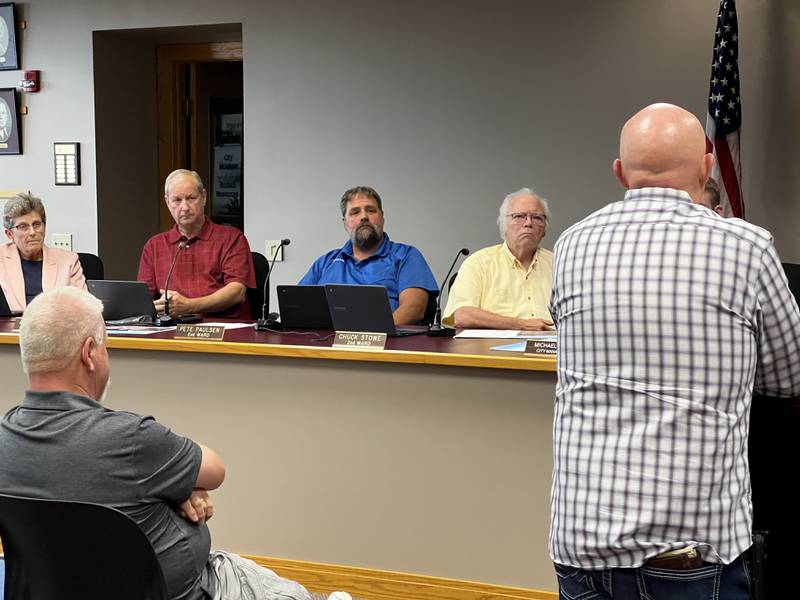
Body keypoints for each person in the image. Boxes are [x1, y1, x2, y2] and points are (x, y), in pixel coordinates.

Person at [548, 103, 800, 599]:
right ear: (708, 166)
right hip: (688, 553)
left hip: (579, 542)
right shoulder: (747, 247)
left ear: (620, 174)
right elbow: (789, 375)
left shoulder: (572, 244)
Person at [0, 286, 323, 600]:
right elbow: (214, 469)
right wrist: (179, 485)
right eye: (105, 346)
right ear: (89, 354)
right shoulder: (133, 440)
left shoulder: (4, 438)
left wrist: (168, 485)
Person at [299, 186, 438, 325]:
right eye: (355, 212)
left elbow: (413, 309)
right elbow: (299, 306)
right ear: (344, 222)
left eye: (371, 210)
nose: (364, 216)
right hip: (328, 343)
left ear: (382, 217)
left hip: (385, 343)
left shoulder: (406, 256)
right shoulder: (325, 262)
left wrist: (365, 337)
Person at [138, 169, 255, 320]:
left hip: (222, 330)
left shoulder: (231, 238)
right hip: (172, 330)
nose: (185, 207)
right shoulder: (154, 245)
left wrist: (189, 306)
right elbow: (143, 299)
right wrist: (153, 307)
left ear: (204, 197)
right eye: (177, 200)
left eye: (191, 198)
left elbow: (237, 292)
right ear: (168, 203)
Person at [442, 188, 553, 330]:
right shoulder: (479, 263)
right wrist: (522, 325)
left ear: (544, 228)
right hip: (492, 349)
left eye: (537, 217)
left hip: (552, 348)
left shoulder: (560, 265)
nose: (528, 223)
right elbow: (462, 316)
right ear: (504, 224)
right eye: (519, 216)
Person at [0, 192, 85, 312]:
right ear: (9, 234)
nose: (32, 232)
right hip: (7, 330)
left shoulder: (68, 261)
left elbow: (84, 309)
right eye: (23, 227)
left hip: (54, 328)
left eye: (36, 224)